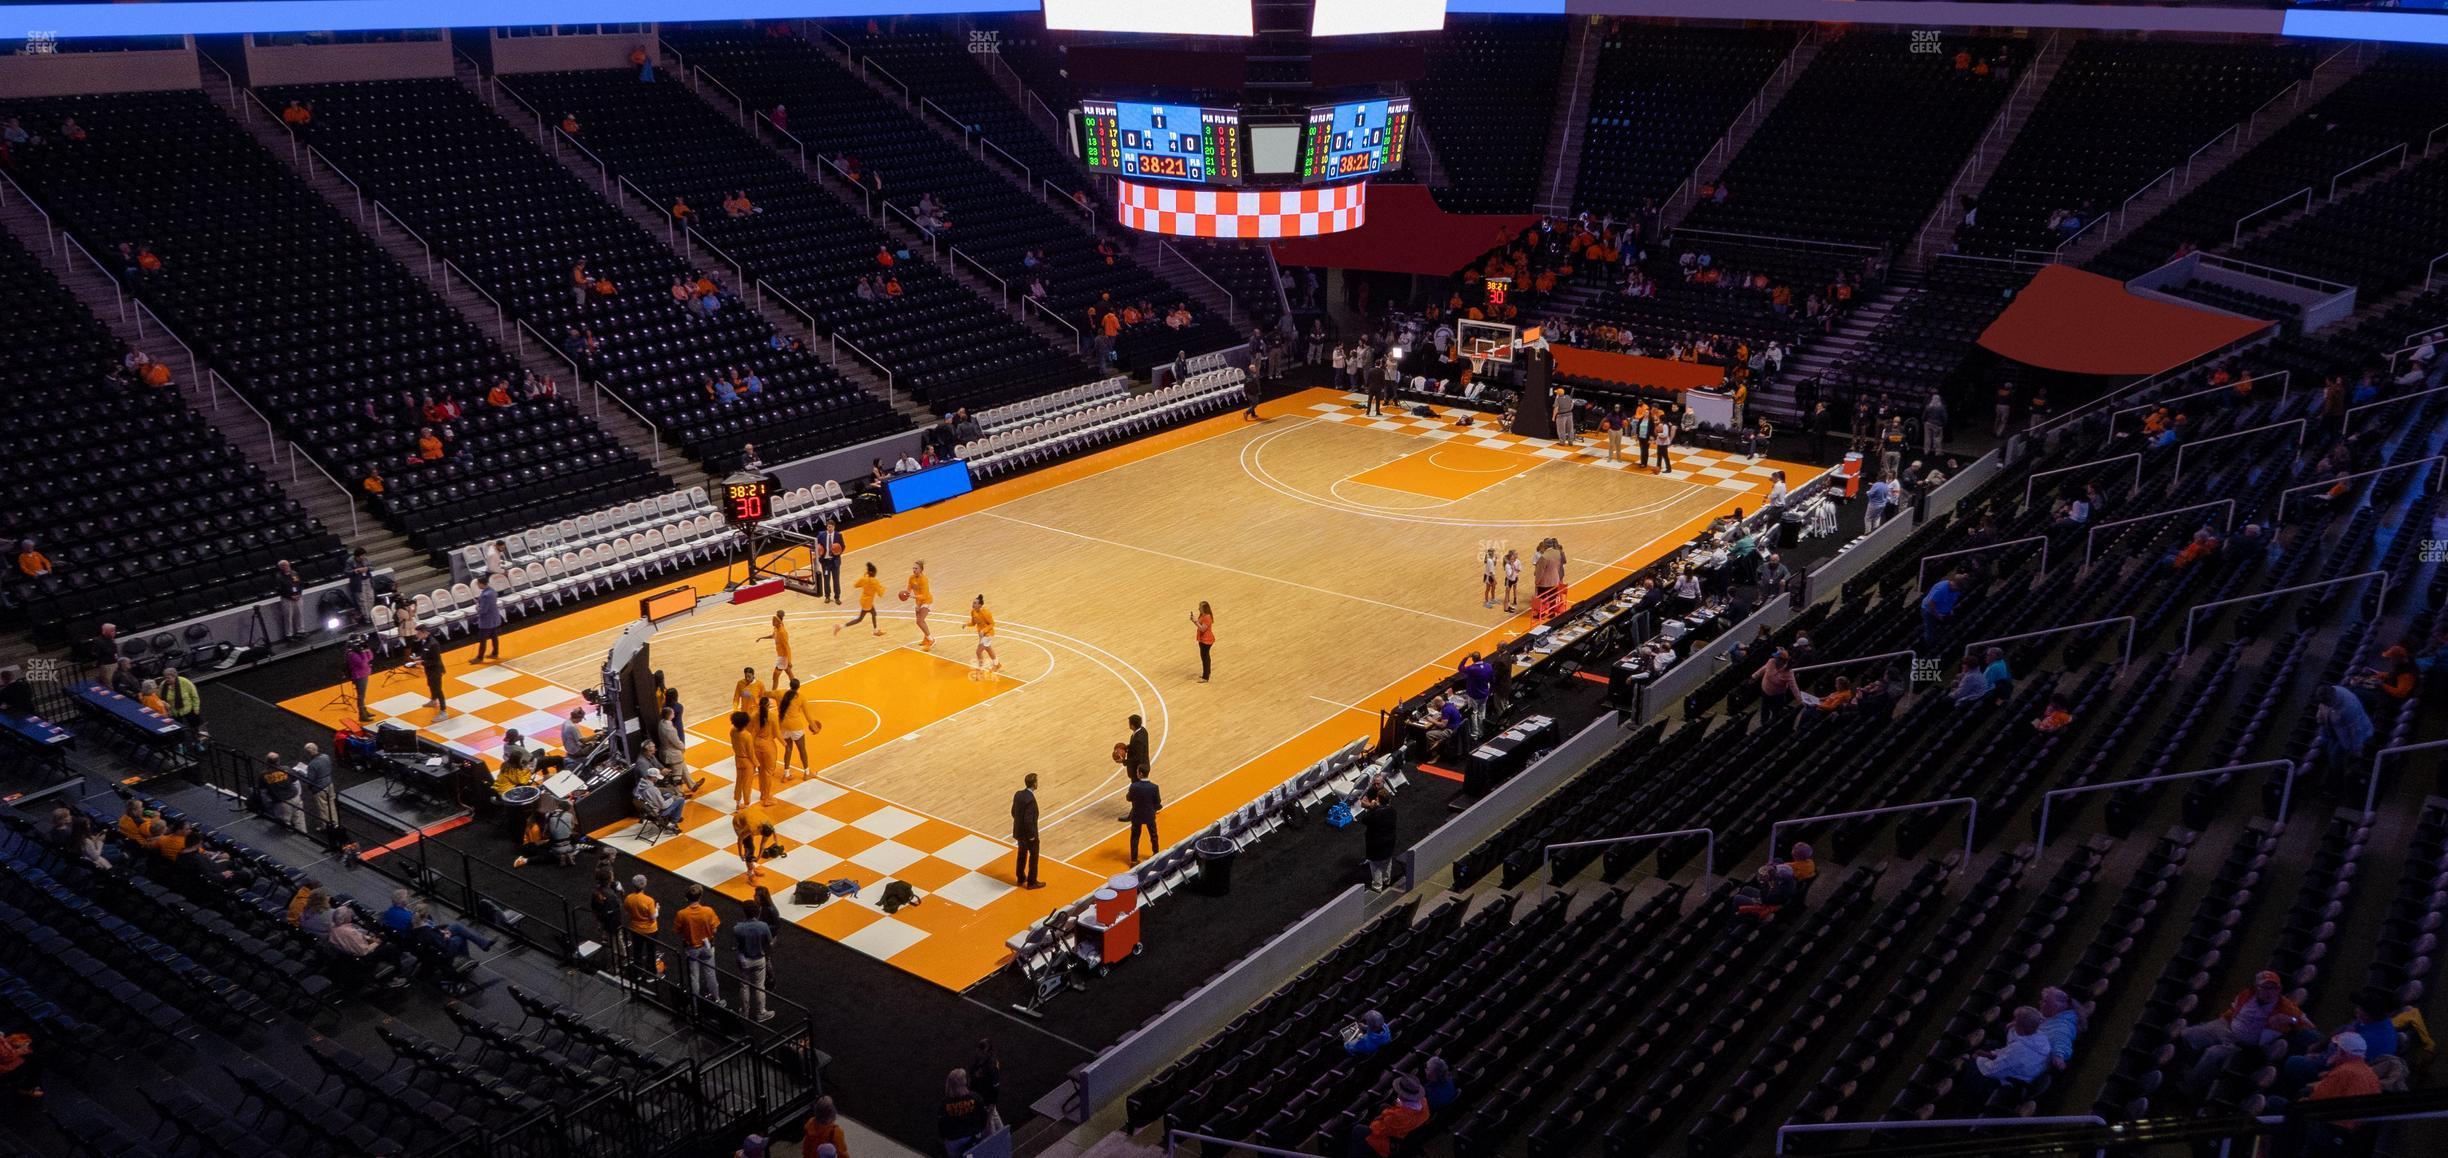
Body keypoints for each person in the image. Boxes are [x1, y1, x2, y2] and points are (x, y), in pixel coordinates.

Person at [2180, 970, 2317, 1092]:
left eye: (2273, 988)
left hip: (2243, 1045)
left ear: (2279, 989)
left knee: (2213, 1054)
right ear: (2256, 988)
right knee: (2187, 1034)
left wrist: (2290, 1020)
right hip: (2225, 1026)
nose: (2268, 992)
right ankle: (2194, 1067)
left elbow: (2309, 1027)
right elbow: (2233, 1012)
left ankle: (2189, 1086)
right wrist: (2223, 1023)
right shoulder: (2247, 995)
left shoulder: (2286, 1007)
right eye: (2264, 987)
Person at [1959, 1006, 2051, 1107]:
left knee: (1967, 1065)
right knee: (1989, 1048)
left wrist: (1978, 1058)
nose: (2013, 1021)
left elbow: (1991, 1070)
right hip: (2023, 1076)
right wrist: (1988, 1055)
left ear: (2019, 1025)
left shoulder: (2018, 1049)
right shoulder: (2041, 1037)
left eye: (2015, 1020)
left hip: (2011, 1086)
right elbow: (2006, 1056)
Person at [1345, 1074, 1429, 1158]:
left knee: (1359, 1130)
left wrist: (1380, 1118)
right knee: (1383, 1106)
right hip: (1405, 1133)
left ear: (1403, 1094)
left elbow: (1376, 1130)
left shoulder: (1396, 1117)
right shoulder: (1424, 1103)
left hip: (1390, 1143)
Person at [674, 884, 722, 1006]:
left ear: (687, 898)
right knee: (710, 973)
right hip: (707, 947)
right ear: (700, 897)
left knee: (694, 977)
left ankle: (694, 1004)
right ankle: (717, 999)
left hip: (691, 948)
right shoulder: (708, 911)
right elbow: (715, 930)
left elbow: (677, 931)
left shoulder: (682, 914)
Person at [938, 1068, 988, 1158]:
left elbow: (941, 1124)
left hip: (954, 1140)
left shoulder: (944, 1104)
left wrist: (944, 1138)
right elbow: (984, 1116)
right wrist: (980, 1130)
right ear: (964, 1082)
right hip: (973, 1136)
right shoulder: (975, 1097)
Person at [621, 875, 661, 980]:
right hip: (650, 930)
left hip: (635, 929)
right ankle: (650, 974)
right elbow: (653, 916)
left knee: (637, 951)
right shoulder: (649, 900)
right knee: (651, 951)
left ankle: (638, 973)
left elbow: (626, 910)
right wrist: (657, 909)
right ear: (644, 884)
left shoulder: (629, 898)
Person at [590, 870, 629, 974]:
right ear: (609, 879)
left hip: (603, 921)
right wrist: (615, 927)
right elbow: (613, 912)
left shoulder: (597, 891)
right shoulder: (611, 896)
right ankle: (613, 968)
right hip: (613, 925)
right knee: (613, 947)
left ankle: (623, 959)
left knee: (615, 943)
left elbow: (594, 908)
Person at [1360, 788, 1398, 891]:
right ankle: (1387, 880)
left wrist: (1372, 808)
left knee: (1376, 866)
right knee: (1387, 862)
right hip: (1389, 843)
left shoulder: (1375, 814)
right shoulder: (1393, 811)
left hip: (1376, 846)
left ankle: (1377, 887)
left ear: (1378, 800)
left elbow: (1364, 820)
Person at [1011, 773, 1044, 889]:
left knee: (1021, 854)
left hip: (1019, 833)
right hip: (1029, 834)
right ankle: (1032, 882)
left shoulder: (1018, 794)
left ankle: (1020, 877)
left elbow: (1013, 812)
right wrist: (1031, 836)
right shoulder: (1030, 800)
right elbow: (1028, 820)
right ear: (1034, 784)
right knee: (1033, 857)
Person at [837, 562, 886, 637]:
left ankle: (875, 630)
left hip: (863, 600)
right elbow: (880, 594)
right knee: (860, 619)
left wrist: (865, 578)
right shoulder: (875, 582)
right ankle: (841, 626)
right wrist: (883, 588)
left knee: (873, 613)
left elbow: (856, 585)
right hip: (868, 602)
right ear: (874, 573)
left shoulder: (864, 579)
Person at [1126, 764, 1161, 864]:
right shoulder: (1154, 787)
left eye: (1137, 771)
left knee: (1135, 837)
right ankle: (1156, 854)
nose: (1136, 773)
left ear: (1140, 773)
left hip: (1137, 815)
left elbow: (1128, 798)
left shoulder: (1134, 786)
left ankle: (1133, 859)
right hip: (1149, 814)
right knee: (1153, 835)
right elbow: (1157, 802)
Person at [412, 626, 449, 719]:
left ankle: (443, 711)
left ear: (425, 632)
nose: (416, 634)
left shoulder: (433, 644)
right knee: (430, 685)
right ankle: (433, 701)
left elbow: (436, 660)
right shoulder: (424, 641)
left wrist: (422, 662)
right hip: (429, 669)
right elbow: (427, 654)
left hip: (435, 670)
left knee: (438, 689)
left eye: (418, 633)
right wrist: (419, 658)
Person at [1921, 571, 1964, 647]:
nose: (1958, 591)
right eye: (1957, 589)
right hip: (1930, 612)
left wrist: (1950, 610)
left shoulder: (1956, 590)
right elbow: (1930, 604)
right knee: (1930, 631)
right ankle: (1930, 648)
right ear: (1954, 585)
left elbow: (1952, 600)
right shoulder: (1941, 589)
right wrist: (1937, 615)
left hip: (1944, 611)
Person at [759, 607, 795, 684]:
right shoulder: (776, 628)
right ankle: (795, 688)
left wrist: (789, 661)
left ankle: (773, 692)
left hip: (783, 657)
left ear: (778, 622)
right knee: (789, 673)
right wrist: (762, 638)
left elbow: (787, 647)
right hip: (780, 655)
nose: (772, 621)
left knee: (775, 676)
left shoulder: (782, 632)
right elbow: (773, 636)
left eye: (774, 620)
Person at [967, 594, 1001, 676]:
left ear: (980, 605)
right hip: (982, 635)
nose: (973, 604)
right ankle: (997, 664)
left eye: (975, 603)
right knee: (988, 649)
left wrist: (984, 630)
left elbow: (992, 624)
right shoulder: (973, 612)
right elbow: (973, 623)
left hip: (988, 634)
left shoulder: (986, 613)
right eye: (973, 603)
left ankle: (980, 669)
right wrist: (966, 624)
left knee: (978, 652)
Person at [813, 518, 845, 604]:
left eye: (831, 527)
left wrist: (838, 552)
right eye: (828, 527)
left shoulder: (838, 535)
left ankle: (837, 597)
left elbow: (843, 546)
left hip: (835, 562)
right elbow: (815, 546)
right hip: (826, 563)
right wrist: (819, 557)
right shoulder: (821, 535)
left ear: (834, 527)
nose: (829, 528)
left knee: (836, 580)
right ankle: (827, 596)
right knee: (826, 580)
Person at [1191, 601, 1216, 682]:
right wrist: (1194, 621)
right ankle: (1206, 673)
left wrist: (1195, 621)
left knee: (1205, 658)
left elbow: (1202, 629)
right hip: (1203, 639)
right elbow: (1199, 625)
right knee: (1205, 657)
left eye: (1200, 608)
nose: (1198, 609)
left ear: (1204, 609)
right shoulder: (1203, 615)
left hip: (1207, 640)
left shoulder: (1207, 617)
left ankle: (1205, 677)